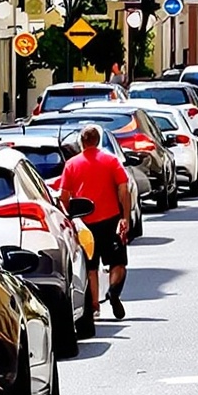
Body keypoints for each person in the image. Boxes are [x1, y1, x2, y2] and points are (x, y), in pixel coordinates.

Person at [58, 123, 133, 321]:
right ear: (98, 141)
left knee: (90, 267)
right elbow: (123, 189)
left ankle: (94, 307)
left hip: (85, 224)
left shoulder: (71, 164)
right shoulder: (111, 160)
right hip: (111, 220)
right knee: (118, 263)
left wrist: (70, 217)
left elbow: (63, 197)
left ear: (81, 142)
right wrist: (125, 217)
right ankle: (114, 292)